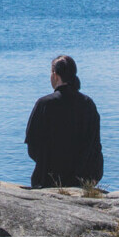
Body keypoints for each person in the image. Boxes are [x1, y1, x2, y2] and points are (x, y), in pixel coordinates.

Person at [25, 54, 101, 189]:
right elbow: (95, 145)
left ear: (55, 74)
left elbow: (32, 147)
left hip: (48, 180)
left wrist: (46, 163)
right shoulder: (88, 104)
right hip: (82, 179)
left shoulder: (44, 104)